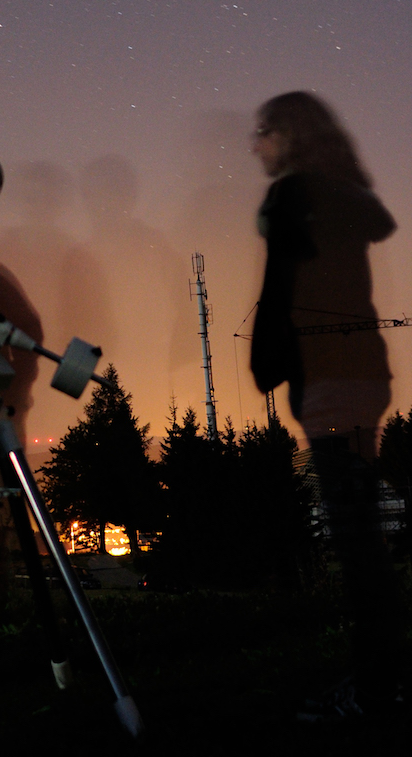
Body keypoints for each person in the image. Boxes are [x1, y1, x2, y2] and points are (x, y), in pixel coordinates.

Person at [249, 92, 404, 719]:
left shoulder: (292, 197)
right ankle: (380, 682)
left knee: (356, 540)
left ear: (290, 135)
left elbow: (280, 286)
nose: (254, 144)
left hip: (330, 380)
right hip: (365, 374)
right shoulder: (344, 198)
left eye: (263, 132)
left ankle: (374, 691)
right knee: (363, 533)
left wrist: (267, 362)